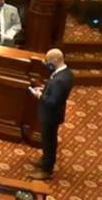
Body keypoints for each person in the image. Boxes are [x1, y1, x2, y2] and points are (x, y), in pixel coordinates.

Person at [28, 48, 74, 180]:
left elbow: (52, 101)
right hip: (54, 114)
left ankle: (46, 170)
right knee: (49, 140)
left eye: (47, 61)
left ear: (55, 60)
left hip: (50, 115)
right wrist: (45, 89)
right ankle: (45, 161)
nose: (46, 63)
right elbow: (56, 93)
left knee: (49, 142)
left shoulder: (60, 80)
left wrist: (39, 95)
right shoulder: (67, 73)